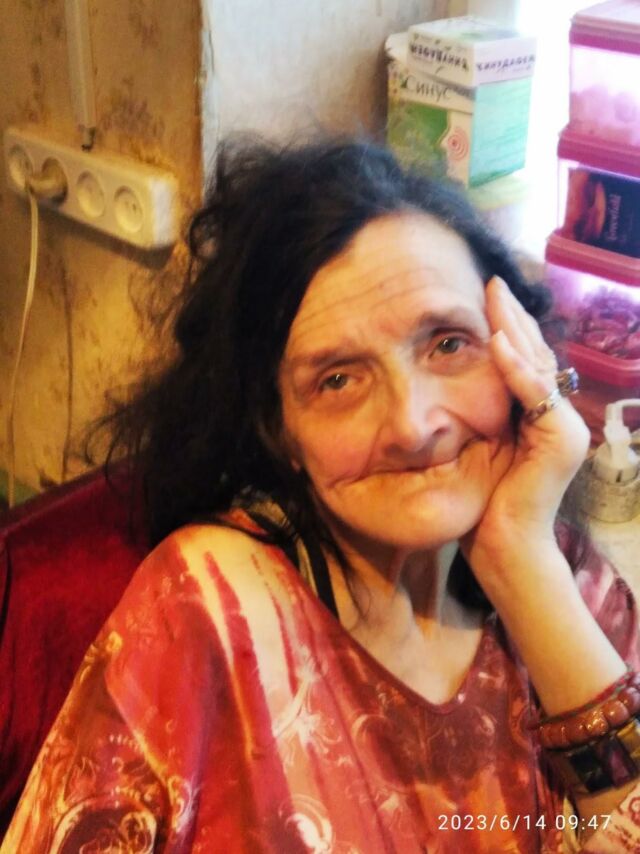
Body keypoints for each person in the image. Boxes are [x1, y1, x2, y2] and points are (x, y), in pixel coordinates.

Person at [3, 138, 640, 853]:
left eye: (448, 344)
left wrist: (522, 563)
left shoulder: (562, 569)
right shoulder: (212, 610)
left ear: (519, 351)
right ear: (278, 430)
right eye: (338, 380)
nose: (413, 425)